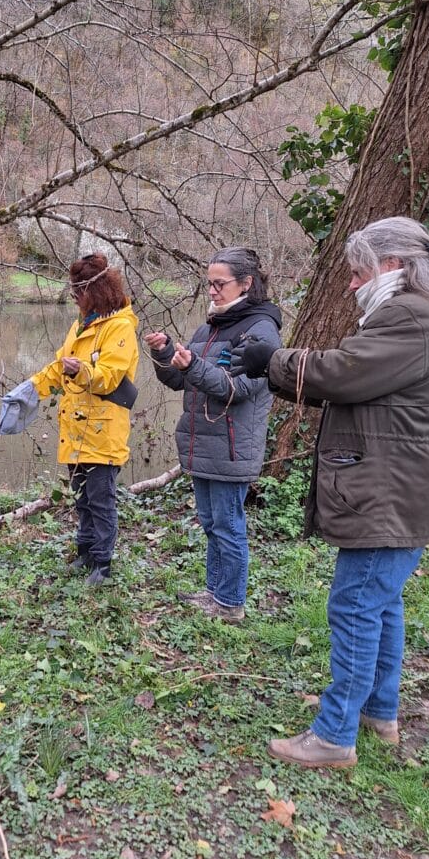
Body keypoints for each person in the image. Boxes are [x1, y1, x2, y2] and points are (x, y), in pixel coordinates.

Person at [229, 216, 429, 768]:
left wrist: (273, 361)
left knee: (355, 605)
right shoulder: (418, 313)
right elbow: (354, 385)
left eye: (358, 272)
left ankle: (334, 735)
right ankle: (378, 711)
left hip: (388, 491)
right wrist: (282, 373)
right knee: (380, 604)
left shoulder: (408, 315)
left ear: (392, 264)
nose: (352, 284)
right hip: (399, 489)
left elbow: (345, 373)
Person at [144, 247, 281, 623]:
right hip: (203, 443)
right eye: (209, 283)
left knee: (228, 526)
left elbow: (238, 389)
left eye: (220, 284)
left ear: (246, 283)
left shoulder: (261, 330)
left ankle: (231, 603)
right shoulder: (209, 327)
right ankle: (214, 592)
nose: (212, 291)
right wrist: (165, 353)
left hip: (232, 447)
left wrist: (194, 365)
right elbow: (180, 380)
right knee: (211, 523)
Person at [29, 253, 139, 585]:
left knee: (101, 501)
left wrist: (83, 371)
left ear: (98, 290)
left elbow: (110, 376)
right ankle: (85, 553)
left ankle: (102, 565)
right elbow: (60, 366)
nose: (74, 295)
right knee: (82, 499)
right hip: (75, 429)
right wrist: (31, 390)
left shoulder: (120, 327)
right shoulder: (80, 324)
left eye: (80, 290)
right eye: (73, 289)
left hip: (103, 433)